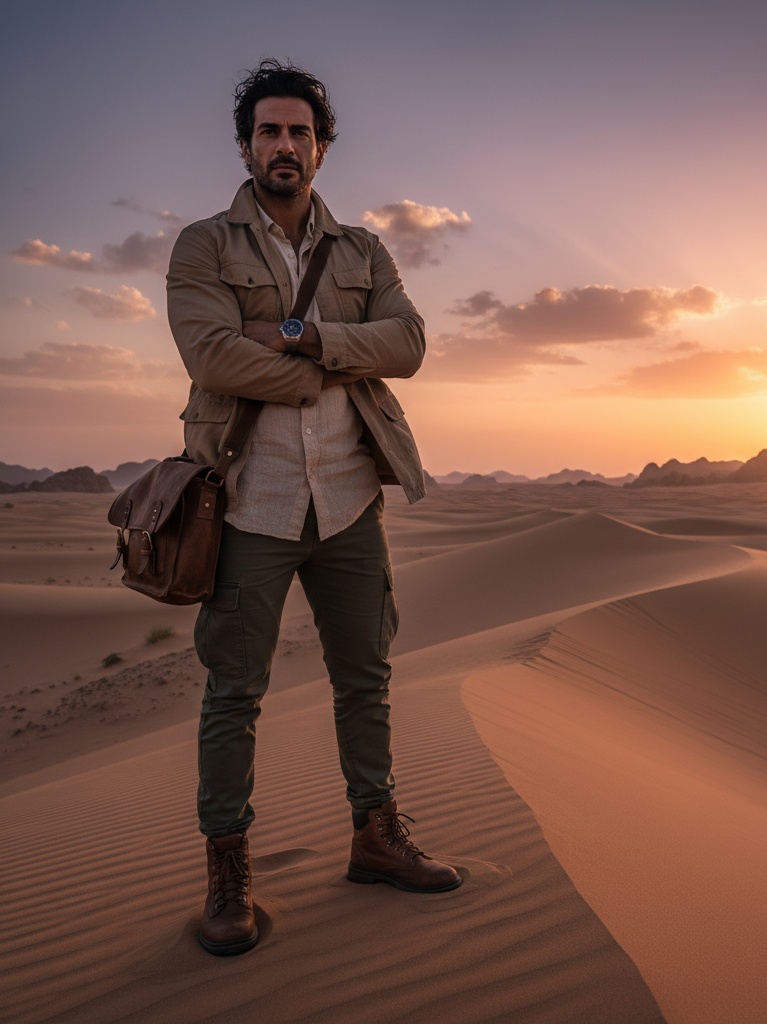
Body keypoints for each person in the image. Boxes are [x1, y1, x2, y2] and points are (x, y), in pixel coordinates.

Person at [166, 59, 461, 957]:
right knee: (234, 692)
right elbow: (213, 356)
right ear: (247, 145)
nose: (283, 145)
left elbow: (407, 342)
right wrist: (339, 359)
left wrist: (297, 333)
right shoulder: (204, 246)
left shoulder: (365, 251)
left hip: (348, 501)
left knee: (365, 677)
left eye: (299, 132)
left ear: (321, 148)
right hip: (248, 500)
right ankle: (228, 869)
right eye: (268, 131)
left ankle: (375, 835)